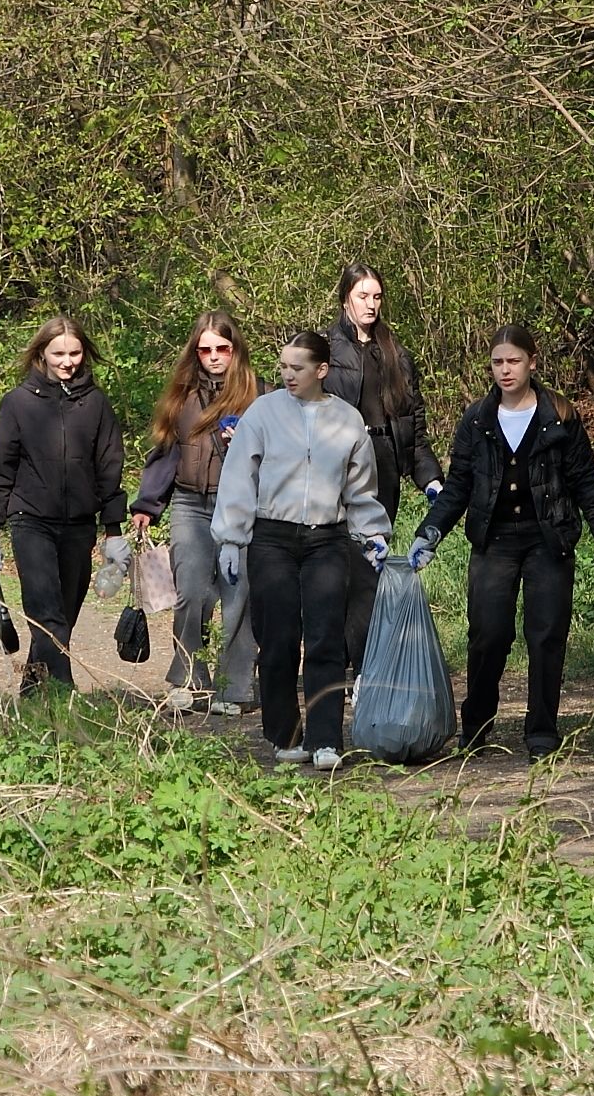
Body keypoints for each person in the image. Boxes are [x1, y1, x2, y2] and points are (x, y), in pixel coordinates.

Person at [410, 326, 594, 762]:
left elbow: (585, 479)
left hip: (549, 538)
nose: (505, 370)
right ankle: (477, 727)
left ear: (532, 363)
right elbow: (458, 486)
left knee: (546, 635)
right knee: (488, 634)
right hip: (494, 539)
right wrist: (429, 533)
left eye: (513, 361)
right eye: (497, 362)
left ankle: (542, 732)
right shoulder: (477, 419)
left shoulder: (560, 416)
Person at [212, 330, 387, 772]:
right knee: (277, 637)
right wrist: (231, 538)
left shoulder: (347, 421)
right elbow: (238, 477)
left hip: (326, 539)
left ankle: (326, 737)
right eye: (283, 367)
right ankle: (285, 734)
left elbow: (360, 487)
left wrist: (372, 533)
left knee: (327, 636)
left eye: (297, 368)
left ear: (321, 370)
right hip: (272, 537)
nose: (287, 375)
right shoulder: (263, 413)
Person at [0, 318, 127, 691]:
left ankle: (32, 690)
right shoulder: (17, 403)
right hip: (31, 520)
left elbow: (110, 467)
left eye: (74, 353)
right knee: (46, 613)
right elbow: (1, 468)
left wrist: (113, 529)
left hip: (79, 525)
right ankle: (62, 693)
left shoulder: (96, 403)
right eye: (58, 353)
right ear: (41, 352)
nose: (67, 361)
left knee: (63, 617)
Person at [131, 311, 263, 714]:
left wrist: (246, 442)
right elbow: (165, 455)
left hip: (240, 507)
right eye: (205, 349)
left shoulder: (260, 396)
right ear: (195, 352)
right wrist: (147, 507)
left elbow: (279, 458)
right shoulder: (181, 397)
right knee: (190, 591)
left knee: (238, 595)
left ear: (235, 350)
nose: (214, 356)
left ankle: (235, 687)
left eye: (222, 348)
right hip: (190, 503)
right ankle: (187, 679)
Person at [323, 264, 443, 675]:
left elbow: (414, 423)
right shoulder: (324, 352)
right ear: (345, 299)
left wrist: (429, 477)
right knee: (337, 565)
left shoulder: (395, 354)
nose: (371, 305)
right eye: (362, 296)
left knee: (367, 569)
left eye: (376, 297)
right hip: (335, 468)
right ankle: (333, 661)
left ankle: (364, 666)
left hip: (384, 464)